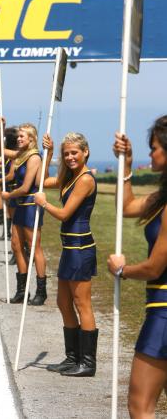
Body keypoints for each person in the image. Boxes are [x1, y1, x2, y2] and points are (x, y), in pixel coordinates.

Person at [107, 115, 167, 418]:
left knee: (140, 407)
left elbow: (156, 267)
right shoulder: (161, 198)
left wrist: (122, 270)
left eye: (154, 147)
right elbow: (126, 207)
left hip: (164, 313)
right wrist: (127, 165)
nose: (151, 153)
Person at [34, 132, 98, 377]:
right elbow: (43, 180)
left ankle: (88, 363)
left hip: (81, 247)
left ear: (85, 152)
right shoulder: (69, 177)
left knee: (83, 304)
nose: (70, 157)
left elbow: (64, 214)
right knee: (63, 302)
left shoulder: (85, 179)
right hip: (68, 247)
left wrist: (44, 204)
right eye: (66, 153)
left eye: (74, 153)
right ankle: (72, 357)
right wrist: (48, 154)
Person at [0, 121, 47, 306]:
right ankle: (22, 291)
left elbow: (26, 186)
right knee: (16, 245)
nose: (18, 139)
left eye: (22, 136)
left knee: (34, 246)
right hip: (20, 205)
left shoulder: (34, 157)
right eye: (18, 136)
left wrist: (8, 194)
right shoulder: (21, 155)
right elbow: (4, 152)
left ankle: (41, 291)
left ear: (31, 138)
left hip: (30, 205)